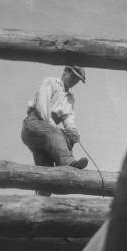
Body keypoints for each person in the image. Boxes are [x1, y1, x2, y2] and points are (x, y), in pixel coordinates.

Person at [21, 66, 88, 194]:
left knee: (46, 173)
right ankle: (68, 164)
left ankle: (42, 199)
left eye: (77, 80)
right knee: (57, 134)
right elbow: (42, 109)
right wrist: (58, 130)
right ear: (66, 71)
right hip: (33, 124)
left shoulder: (69, 98)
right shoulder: (50, 82)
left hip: (45, 136)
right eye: (73, 76)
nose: (74, 81)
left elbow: (68, 118)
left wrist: (73, 132)